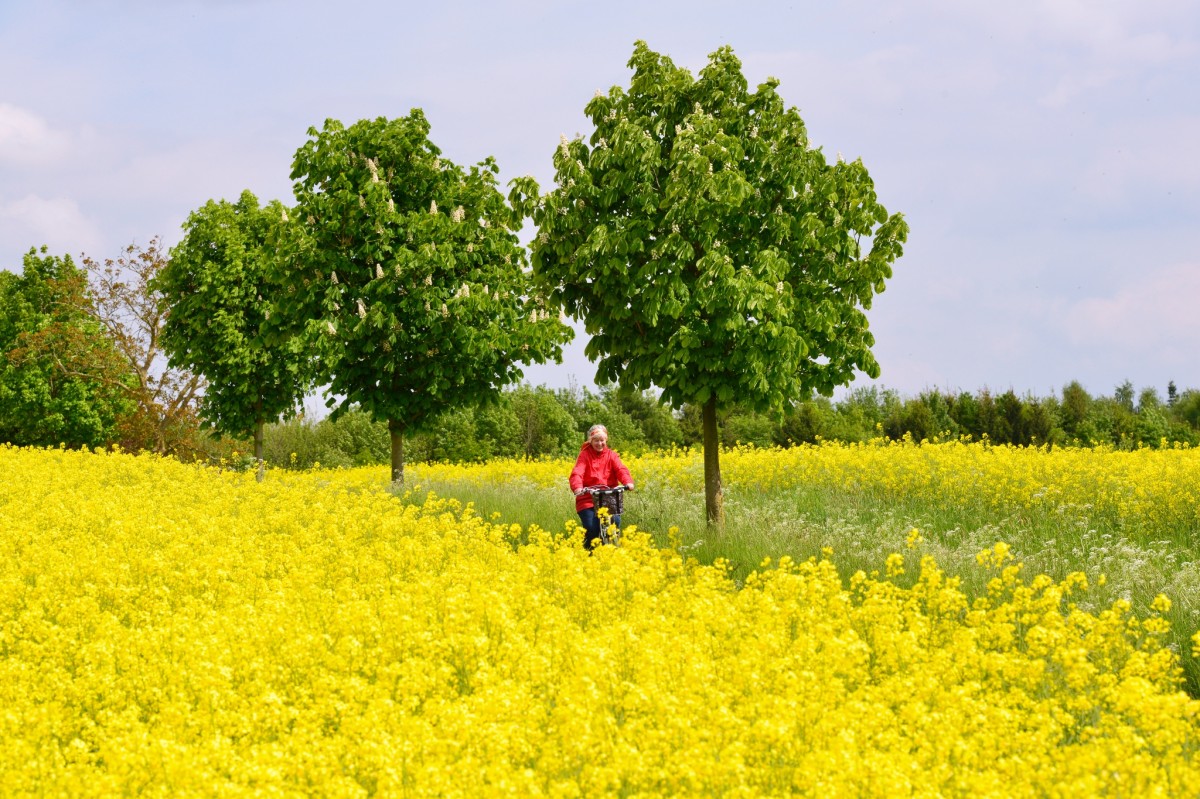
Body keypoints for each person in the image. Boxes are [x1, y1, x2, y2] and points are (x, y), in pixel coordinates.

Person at [569, 423, 634, 549]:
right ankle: (588, 553)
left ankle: (612, 551)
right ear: (591, 441)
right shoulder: (584, 455)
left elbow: (621, 469)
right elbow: (577, 472)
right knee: (591, 528)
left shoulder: (612, 455)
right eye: (596, 440)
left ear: (606, 440)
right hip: (587, 498)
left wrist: (628, 482)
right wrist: (577, 487)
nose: (599, 443)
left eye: (602, 440)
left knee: (615, 522)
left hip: (608, 497)